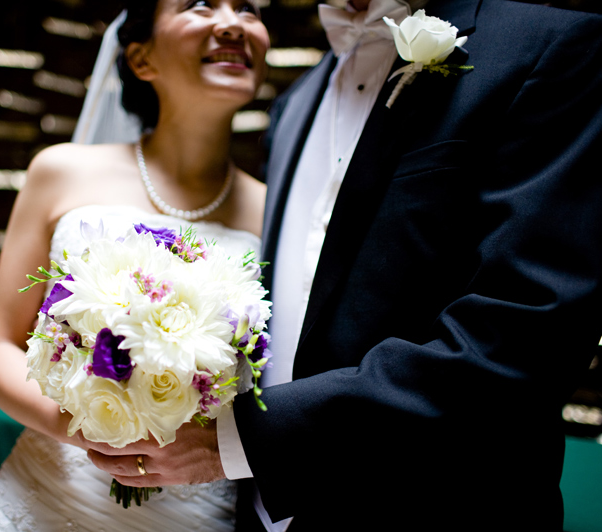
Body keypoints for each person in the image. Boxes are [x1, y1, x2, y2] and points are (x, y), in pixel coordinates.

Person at [84, 0, 602, 530]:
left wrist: (240, 443)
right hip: (258, 515)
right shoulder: (294, 104)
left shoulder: (548, 46)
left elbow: (528, 331)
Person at [0, 1, 269, 530]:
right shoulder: (60, 172)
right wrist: (87, 425)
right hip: (52, 496)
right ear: (141, 57)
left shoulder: (275, 211)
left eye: (248, 8)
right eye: (200, 4)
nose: (233, 23)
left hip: (194, 510)